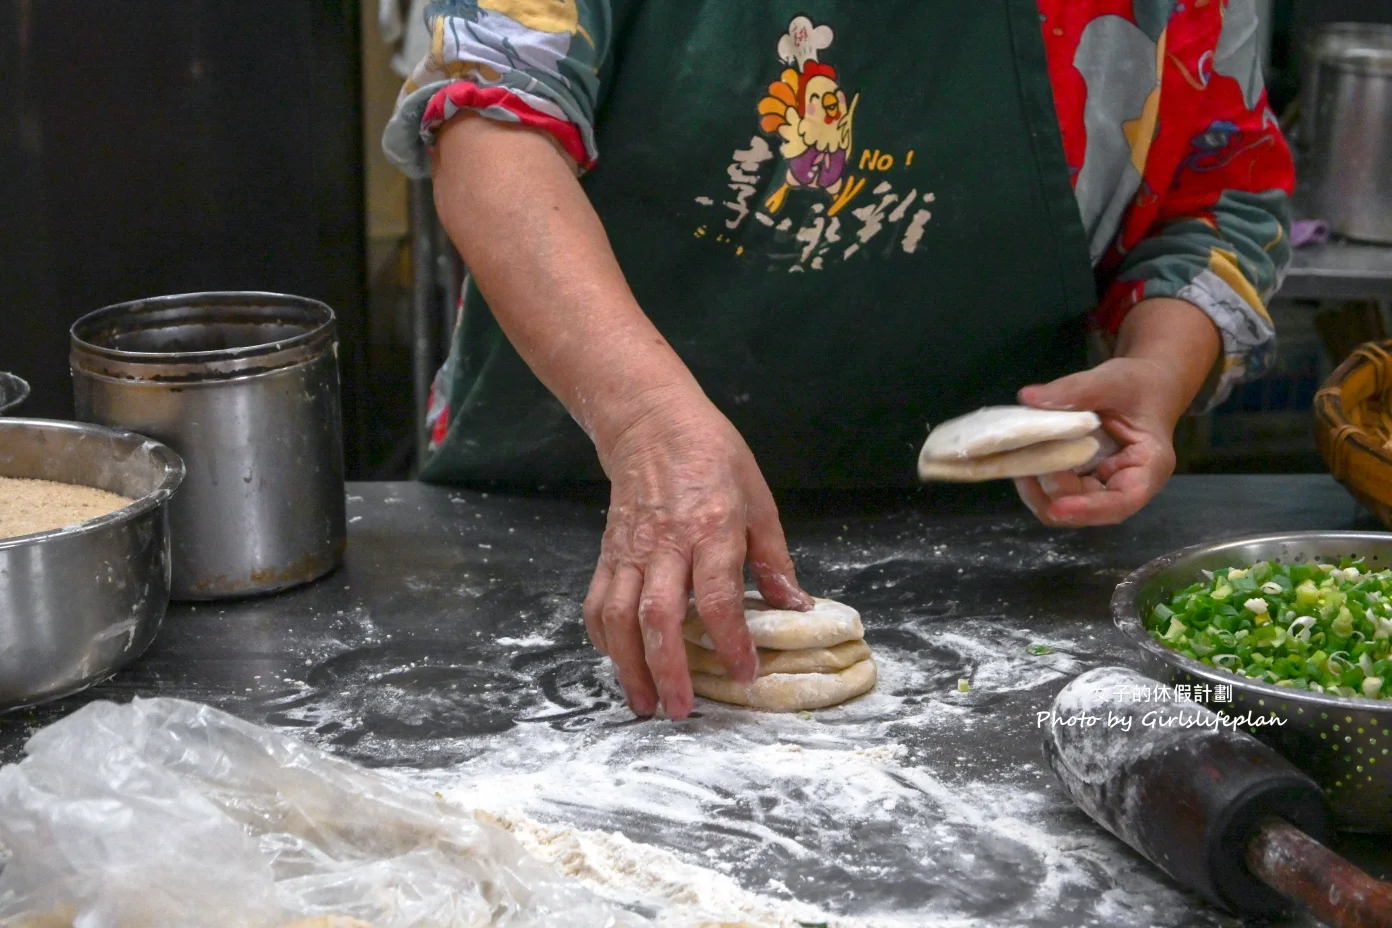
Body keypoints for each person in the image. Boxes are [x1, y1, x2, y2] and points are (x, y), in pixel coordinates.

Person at [383, 0, 1294, 720]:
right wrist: (645, 419)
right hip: (575, 514)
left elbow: (1215, 193)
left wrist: (1160, 368)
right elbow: (491, 128)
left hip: (996, 554)